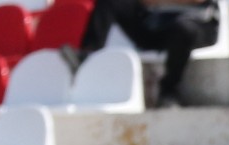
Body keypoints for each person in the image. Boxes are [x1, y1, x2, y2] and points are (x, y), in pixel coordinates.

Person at [66, 0, 219, 109]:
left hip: (197, 25)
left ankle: (169, 91)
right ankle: (88, 54)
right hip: (157, 25)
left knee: (183, 30)